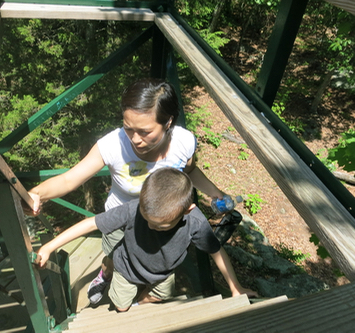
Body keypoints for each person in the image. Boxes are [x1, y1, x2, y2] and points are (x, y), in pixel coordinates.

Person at [27, 78, 225, 305]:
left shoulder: (183, 142)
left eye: (145, 131)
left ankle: (140, 296)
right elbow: (69, 179)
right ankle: (106, 273)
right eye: (128, 128)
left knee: (151, 259)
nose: (135, 139)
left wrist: (214, 192)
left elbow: (189, 171)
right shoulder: (113, 145)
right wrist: (37, 193)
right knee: (114, 257)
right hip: (120, 219)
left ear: (168, 122)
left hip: (159, 219)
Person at [36, 168, 258, 312]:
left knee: (160, 296)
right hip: (128, 266)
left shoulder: (196, 221)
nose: (151, 226)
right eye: (147, 220)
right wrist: (49, 246)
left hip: (161, 274)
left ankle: (138, 301)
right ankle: (105, 274)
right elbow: (92, 223)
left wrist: (235, 288)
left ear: (187, 211)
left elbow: (216, 251)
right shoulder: (134, 209)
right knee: (121, 308)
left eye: (160, 225)